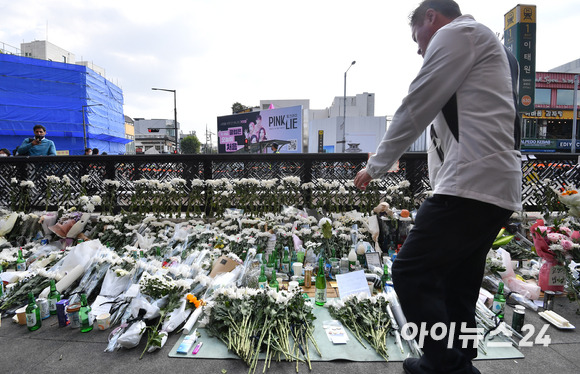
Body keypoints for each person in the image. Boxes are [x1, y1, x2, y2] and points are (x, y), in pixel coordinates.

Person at [353, 1, 522, 373]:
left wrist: (376, 165)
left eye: (417, 37)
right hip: (494, 185)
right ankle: (459, 357)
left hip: (472, 184)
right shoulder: (495, 48)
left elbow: (417, 104)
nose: (418, 48)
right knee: (459, 280)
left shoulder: (458, 33)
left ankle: (445, 365)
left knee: (410, 270)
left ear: (431, 17)